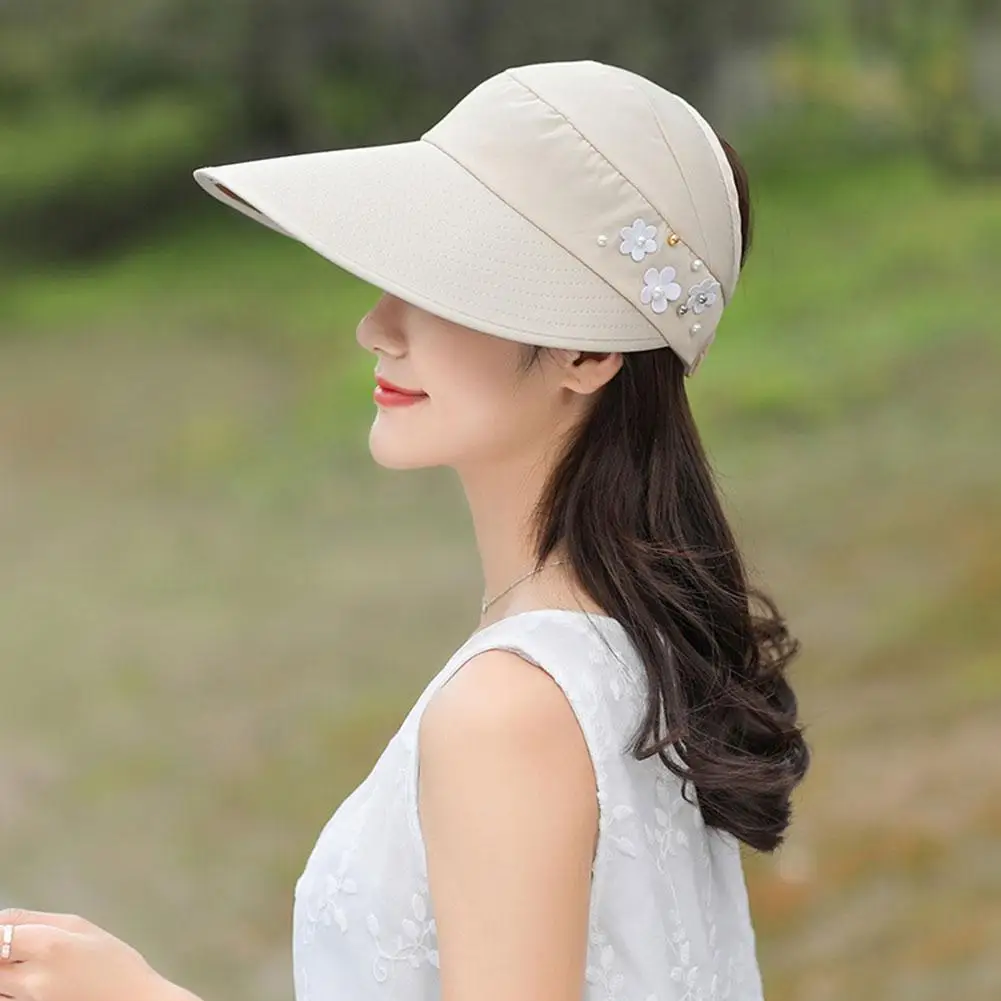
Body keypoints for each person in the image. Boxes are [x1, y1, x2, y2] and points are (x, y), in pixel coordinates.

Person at [0, 59, 809, 1001]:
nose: (377, 327)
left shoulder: (509, 709)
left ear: (589, 350)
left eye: (443, 285)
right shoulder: (627, 655)